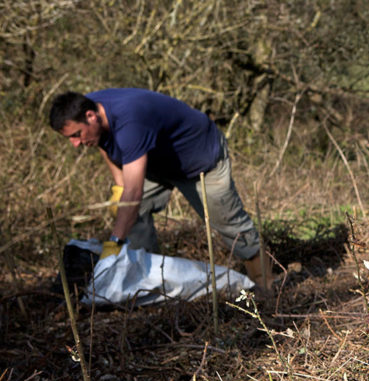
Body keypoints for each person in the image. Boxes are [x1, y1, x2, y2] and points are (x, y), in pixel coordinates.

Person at [49, 88, 271, 290]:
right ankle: (145, 280)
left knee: (230, 225)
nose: (75, 144)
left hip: (200, 162)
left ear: (91, 116)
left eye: (76, 135)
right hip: (157, 163)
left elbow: (134, 194)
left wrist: (114, 242)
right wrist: (119, 185)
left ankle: (266, 287)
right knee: (127, 213)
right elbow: (103, 145)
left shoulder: (130, 121)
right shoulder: (90, 108)